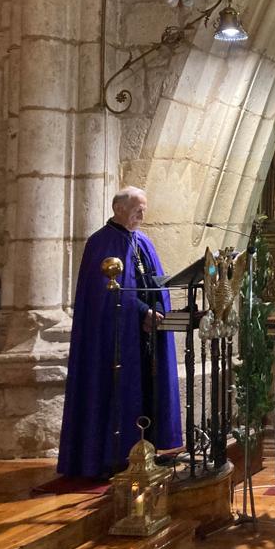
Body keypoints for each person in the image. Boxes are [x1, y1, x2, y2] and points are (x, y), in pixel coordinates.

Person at [57, 187, 182, 479]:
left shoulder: (143, 241)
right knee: (118, 391)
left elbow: (153, 283)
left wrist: (158, 311)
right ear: (118, 208)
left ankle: (148, 451)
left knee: (149, 389)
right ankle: (111, 456)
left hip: (146, 335)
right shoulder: (100, 244)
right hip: (116, 339)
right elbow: (106, 295)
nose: (142, 214)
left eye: (144, 209)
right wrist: (142, 311)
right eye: (137, 208)